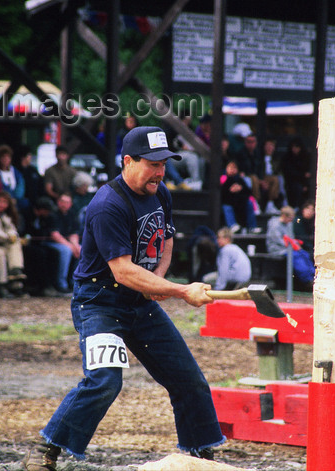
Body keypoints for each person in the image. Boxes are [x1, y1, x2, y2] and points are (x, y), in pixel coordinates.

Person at [22, 126, 223, 470]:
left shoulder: (160, 192)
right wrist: (179, 290)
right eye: (153, 163)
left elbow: (166, 238)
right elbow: (123, 271)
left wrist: (157, 280)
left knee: (188, 379)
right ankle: (46, 451)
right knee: (105, 381)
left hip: (139, 303)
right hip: (100, 302)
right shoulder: (107, 204)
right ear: (127, 161)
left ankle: (201, 455)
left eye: (164, 163)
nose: (160, 172)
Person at [0, 191, 27, 298]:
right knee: (0, 253)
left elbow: (12, 229)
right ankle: (1, 285)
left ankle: (15, 273)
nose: (1, 205)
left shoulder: (6, 216)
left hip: (4, 243)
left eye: (4, 202)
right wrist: (9, 237)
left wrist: (13, 236)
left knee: (15, 244)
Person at [266, 205, 315, 285]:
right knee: (296, 256)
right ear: (284, 216)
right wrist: (292, 245)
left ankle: (313, 274)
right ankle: (307, 279)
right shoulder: (274, 225)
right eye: (290, 218)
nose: (291, 220)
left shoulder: (289, 224)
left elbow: (291, 237)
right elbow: (277, 240)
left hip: (289, 247)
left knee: (304, 253)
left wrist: (295, 245)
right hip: (277, 249)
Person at [44, 192, 81, 294]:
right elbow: (55, 235)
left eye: (67, 202)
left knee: (81, 250)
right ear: (58, 202)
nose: (65, 204)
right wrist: (70, 246)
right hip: (50, 242)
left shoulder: (71, 214)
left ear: (71, 204)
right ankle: (61, 284)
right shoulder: (53, 214)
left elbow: (74, 234)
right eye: (62, 202)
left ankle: (75, 282)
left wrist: (75, 246)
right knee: (66, 251)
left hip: (65, 242)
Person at [221, 160, 258, 234]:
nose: (232, 170)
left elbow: (248, 192)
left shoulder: (240, 179)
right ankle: (232, 225)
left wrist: (240, 188)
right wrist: (230, 190)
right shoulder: (223, 178)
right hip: (228, 202)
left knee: (249, 203)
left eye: (234, 168)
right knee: (226, 207)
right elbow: (222, 193)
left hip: (240, 202)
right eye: (230, 167)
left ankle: (252, 227)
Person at [282, 137, 312, 210]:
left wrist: (305, 184)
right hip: (291, 182)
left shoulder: (305, 158)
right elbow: (289, 173)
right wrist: (302, 175)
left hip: (304, 182)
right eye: (293, 147)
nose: (295, 149)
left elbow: (308, 173)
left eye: (297, 147)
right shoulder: (288, 158)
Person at [0, 144, 27, 211]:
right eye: (3, 157)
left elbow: (20, 186)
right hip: (3, 198)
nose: (5, 159)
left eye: (8, 157)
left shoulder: (15, 172)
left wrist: (15, 198)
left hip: (15, 199)